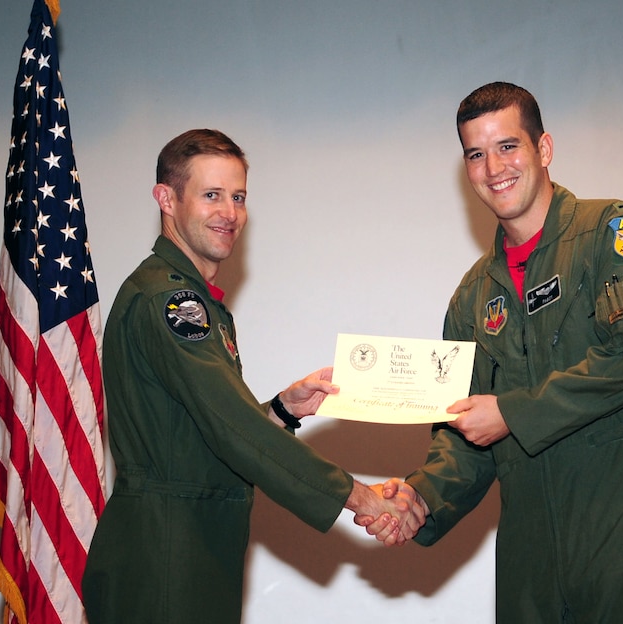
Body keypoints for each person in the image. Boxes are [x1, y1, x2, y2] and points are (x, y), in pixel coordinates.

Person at [359, 82, 623, 622]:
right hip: (534, 569)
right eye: (476, 154)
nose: (493, 167)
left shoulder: (615, 235)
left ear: (543, 149)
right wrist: (421, 499)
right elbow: (464, 435)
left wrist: (511, 411)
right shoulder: (471, 297)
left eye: (508, 146)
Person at [82, 129, 424, 624]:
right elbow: (232, 429)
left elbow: (198, 433)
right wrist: (361, 497)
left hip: (193, 549)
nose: (229, 213)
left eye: (238, 197)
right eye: (211, 195)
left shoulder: (194, 299)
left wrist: (280, 410)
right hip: (166, 560)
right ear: (167, 199)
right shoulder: (172, 302)